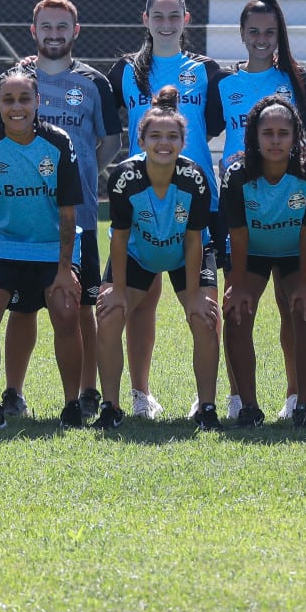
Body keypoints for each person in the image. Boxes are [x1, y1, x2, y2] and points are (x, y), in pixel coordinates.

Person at [6, 0, 122, 422]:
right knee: (21, 308)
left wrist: (79, 172)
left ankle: (87, 391)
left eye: (62, 27)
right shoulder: (15, 79)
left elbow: (110, 141)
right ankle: (13, 393)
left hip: (79, 218)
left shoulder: (94, 83)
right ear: (33, 31)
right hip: (21, 218)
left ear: (76, 31)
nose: (54, 34)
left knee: (82, 306)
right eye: (46, 26)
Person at [206, 0, 306, 420]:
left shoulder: (295, 79)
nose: (261, 38)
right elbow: (209, 128)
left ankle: (297, 398)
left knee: (296, 311)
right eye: (253, 31)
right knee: (239, 307)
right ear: (240, 34)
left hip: (288, 209)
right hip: (244, 205)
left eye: (269, 31)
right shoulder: (225, 84)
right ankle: (241, 400)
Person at [116, 0, 226, 419]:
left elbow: (213, 126)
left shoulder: (205, 70)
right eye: (157, 16)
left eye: (173, 15)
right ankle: (140, 395)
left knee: (205, 302)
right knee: (140, 303)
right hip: (140, 198)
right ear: (145, 20)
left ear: (186, 19)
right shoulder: (125, 70)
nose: (165, 23)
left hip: (196, 198)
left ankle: (210, 398)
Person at [0, 65, 87, 429]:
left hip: (51, 249)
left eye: (24, 99)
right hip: (3, 247)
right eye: (8, 100)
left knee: (67, 313)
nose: (16, 107)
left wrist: (65, 269)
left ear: (37, 102)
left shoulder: (58, 142)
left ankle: (71, 406)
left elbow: (68, 212)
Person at [97, 88, 220, 430]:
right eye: (155, 136)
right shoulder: (125, 177)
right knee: (108, 315)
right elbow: (119, 238)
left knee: (205, 317)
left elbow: (195, 240)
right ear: (141, 140)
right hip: (138, 252)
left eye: (171, 136)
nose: (163, 143)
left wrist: (194, 293)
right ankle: (111, 406)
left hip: (185, 253)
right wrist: (118, 291)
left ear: (183, 141)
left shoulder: (194, 179)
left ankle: (206, 407)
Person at [220, 94, 306, 426]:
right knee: (236, 312)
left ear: (295, 136)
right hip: (252, 252)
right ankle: (248, 406)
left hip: (298, 253)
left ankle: (304, 406)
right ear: (254, 136)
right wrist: (236, 286)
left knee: (305, 310)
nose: (276, 140)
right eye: (268, 133)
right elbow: (237, 234)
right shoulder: (237, 175)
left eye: (283, 133)